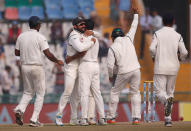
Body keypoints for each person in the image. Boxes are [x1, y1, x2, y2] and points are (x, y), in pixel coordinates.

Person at [14, 16, 64, 127]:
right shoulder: (40, 37)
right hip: (36, 67)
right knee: (40, 94)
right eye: (39, 24)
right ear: (37, 25)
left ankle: (19, 109)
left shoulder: (21, 36)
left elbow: (16, 53)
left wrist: (27, 52)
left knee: (28, 92)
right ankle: (34, 119)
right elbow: (48, 54)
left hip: (25, 67)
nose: (40, 25)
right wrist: (57, 61)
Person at [55, 16, 96, 126]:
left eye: (84, 24)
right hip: (71, 68)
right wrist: (92, 42)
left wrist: (91, 34)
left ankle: (73, 119)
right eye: (81, 24)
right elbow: (81, 49)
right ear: (74, 26)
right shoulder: (73, 35)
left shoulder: (82, 34)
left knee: (76, 95)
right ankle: (58, 116)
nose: (83, 26)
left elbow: (95, 35)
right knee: (68, 92)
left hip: (81, 67)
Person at [149, 13, 188, 127]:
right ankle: (168, 120)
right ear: (173, 21)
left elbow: (151, 48)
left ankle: (166, 101)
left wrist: (153, 56)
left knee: (159, 92)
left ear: (162, 22)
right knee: (170, 92)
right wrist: (180, 58)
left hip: (160, 67)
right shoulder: (178, 35)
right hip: (173, 68)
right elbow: (185, 52)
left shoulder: (157, 34)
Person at [107, 7, 141, 125]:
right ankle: (136, 118)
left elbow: (110, 66)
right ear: (122, 34)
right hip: (136, 69)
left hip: (123, 71)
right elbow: (134, 26)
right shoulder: (129, 38)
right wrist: (136, 14)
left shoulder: (112, 47)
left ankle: (111, 117)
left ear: (112, 38)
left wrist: (111, 76)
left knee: (115, 92)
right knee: (135, 92)